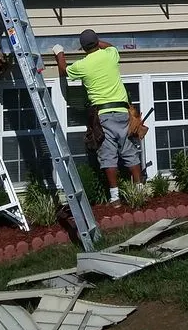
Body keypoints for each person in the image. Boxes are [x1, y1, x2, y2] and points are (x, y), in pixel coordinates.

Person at [54, 30, 142, 206]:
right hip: (123, 112)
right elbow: (110, 47)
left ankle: (115, 198)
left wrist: (59, 52)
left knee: (108, 155)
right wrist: (97, 42)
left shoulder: (83, 65)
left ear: (83, 48)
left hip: (104, 115)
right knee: (129, 151)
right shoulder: (110, 55)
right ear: (97, 42)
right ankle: (139, 192)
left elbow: (64, 70)